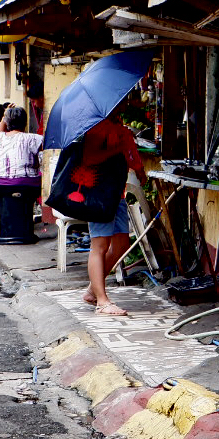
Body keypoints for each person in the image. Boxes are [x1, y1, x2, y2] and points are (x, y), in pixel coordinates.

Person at [80, 111, 149, 317]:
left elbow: (128, 154)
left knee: (121, 245)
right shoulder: (94, 129)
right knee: (99, 246)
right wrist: (116, 147)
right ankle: (102, 301)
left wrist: (138, 168)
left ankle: (93, 290)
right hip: (99, 193)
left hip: (117, 193)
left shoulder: (118, 127)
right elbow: (89, 158)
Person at [0, 106, 45, 245]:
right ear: (25, 123)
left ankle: (6, 231)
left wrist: (5, 116)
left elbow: (0, 129)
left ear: (7, 123)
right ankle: (26, 230)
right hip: (25, 185)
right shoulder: (33, 138)